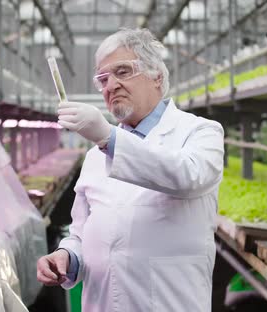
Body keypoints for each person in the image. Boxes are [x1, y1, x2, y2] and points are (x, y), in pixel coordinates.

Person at [36, 28, 224, 312]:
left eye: (122, 72)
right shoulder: (95, 156)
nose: (110, 85)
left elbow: (188, 175)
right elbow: (81, 232)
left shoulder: (199, 133)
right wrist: (67, 256)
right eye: (103, 79)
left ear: (157, 76)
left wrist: (108, 137)